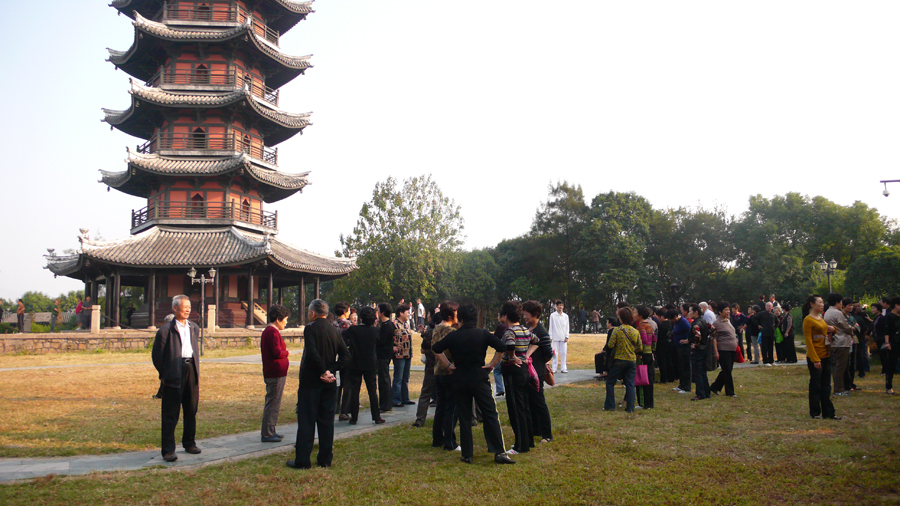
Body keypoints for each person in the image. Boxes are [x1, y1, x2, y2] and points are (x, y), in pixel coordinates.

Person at [431, 303, 515, 464]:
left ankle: (467, 454)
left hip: (459, 378)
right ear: (475, 319)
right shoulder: (482, 333)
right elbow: (502, 346)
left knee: (464, 417)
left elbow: (436, 348)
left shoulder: (454, 335)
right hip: (479, 377)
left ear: (460, 319)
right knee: (490, 414)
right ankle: (499, 452)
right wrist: (491, 364)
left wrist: (449, 366)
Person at [287, 299, 350, 470]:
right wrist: (331, 370)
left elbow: (312, 353)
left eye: (309, 312)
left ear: (313, 313)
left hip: (311, 381)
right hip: (330, 382)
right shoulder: (334, 330)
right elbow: (345, 356)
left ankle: (303, 460)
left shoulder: (310, 328)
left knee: (307, 421)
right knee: (326, 422)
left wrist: (323, 371)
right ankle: (325, 458)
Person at [151, 295, 201, 462]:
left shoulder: (194, 327)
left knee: (191, 409)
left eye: (189, 306)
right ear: (174, 309)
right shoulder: (166, 330)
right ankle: (168, 450)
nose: (187, 309)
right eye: (184, 306)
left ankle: (189, 443)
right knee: (170, 413)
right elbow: (157, 356)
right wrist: (166, 373)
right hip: (173, 372)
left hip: (191, 370)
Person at [498, 301, 539, 455]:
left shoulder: (510, 331)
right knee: (525, 406)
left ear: (506, 315)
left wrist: (512, 356)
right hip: (524, 371)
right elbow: (537, 341)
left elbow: (509, 345)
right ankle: (529, 440)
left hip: (513, 371)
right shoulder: (525, 330)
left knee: (516, 409)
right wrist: (526, 355)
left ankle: (520, 446)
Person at [342, 307, 385, 425]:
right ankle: (376, 416)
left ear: (360, 318)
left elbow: (343, 338)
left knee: (355, 391)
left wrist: (350, 346)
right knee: (372, 391)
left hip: (355, 362)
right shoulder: (375, 331)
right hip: (370, 363)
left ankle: (354, 417)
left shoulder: (353, 330)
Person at [803, 295, 839, 420]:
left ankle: (828, 412)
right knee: (816, 385)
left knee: (826, 385)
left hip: (826, 355)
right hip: (816, 356)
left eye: (822, 302)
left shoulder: (820, 318)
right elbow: (808, 341)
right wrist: (815, 359)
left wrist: (833, 329)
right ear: (812, 304)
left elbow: (826, 331)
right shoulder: (808, 319)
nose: (822, 304)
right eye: (820, 302)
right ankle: (815, 412)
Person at [431, 301, 460, 450]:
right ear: (450, 315)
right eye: (457, 312)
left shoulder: (436, 329)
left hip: (437, 372)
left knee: (440, 407)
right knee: (451, 408)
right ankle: (450, 442)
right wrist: (450, 365)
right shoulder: (451, 332)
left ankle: (437, 439)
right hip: (450, 372)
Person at [523, 300, 553, 443]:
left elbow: (548, 352)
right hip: (528, 371)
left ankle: (547, 434)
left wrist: (540, 363)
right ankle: (536, 429)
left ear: (535, 315)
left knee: (539, 402)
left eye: (526, 314)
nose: (524, 317)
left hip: (537, 372)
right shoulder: (528, 330)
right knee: (531, 402)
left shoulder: (541, 332)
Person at [260, 304, 291, 442]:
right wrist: (287, 353)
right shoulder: (272, 332)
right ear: (278, 319)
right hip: (274, 373)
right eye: (285, 319)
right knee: (272, 403)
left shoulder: (271, 332)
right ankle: (267, 433)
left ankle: (271, 430)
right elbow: (277, 352)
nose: (286, 322)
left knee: (275, 403)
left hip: (276, 372)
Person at [604, 307, 641, 412]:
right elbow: (639, 347)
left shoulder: (617, 330)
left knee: (610, 382)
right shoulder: (635, 331)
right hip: (631, 360)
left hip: (619, 359)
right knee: (630, 384)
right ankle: (630, 407)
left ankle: (610, 405)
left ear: (620, 318)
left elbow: (610, 345)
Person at [824, 294, 853, 397]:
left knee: (836, 366)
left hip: (833, 342)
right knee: (841, 367)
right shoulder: (837, 313)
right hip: (841, 342)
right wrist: (852, 330)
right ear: (837, 303)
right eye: (841, 303)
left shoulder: (827, 312)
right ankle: (839, 389)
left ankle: (838, 388)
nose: (841, 305)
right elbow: (845, 326)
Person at [413, 310, 437, 428]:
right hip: (446, 369)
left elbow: (422, 350)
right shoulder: (450, 332)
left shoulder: (429, 334)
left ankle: (420, 419)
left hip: (430, 368)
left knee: (425, 394)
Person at [709, 301, 738, 397]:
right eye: (726, 310)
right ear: (720, 312)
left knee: (727, 370)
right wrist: (716, 352)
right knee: (727, 371)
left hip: (732, 349)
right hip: (723, 349)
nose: (728, 312)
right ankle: (730, 392)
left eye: (729, 310)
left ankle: (714, 387)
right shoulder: (716, 323)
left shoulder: (728, 320)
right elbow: (714, 338)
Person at [332, 302, 353, 421]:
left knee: (337, 383)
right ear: (345, 311)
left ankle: (335, 407)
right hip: (347, 356)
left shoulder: (333, 324)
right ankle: (344, 411)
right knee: (347, 384)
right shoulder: (349, 324)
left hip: (334, 355)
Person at [391, 304, 414, 407]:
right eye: (407, 312)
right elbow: (388, 338)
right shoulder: (394, 324)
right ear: (401, 313)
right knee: (398, 378)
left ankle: (405, 398)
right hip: (399, 355)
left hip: (407, 354)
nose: (408, 314)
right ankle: (396, 400)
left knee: (406, 378)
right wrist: (393, 347)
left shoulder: (406, 324)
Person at [634, 305, 656, 409]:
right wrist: (652, 351)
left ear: (640, 315)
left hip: (643, 356)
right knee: (649, 379)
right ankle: (649, 403)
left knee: (642, 379)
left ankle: (643, 403)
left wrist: (639, 352)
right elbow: (654, 340)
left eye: (635, 312)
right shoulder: (649, 325)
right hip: (649, 354)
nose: (633, 315)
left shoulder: (641, 327)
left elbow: (642, 341)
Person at [688, 304, 711, 401]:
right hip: (705, 348)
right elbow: (713, 329)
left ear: (695, 312)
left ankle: (700, 393)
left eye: (690, 311)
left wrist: (696, 344)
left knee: (697, 372)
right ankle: (706, 391)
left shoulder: (696, 323)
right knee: (703, 372)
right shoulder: (704, 321)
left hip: (698, 350)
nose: (689, 313)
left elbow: (697, 335)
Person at [375, 303, 395, 414]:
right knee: (384, 379)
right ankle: (385, 403)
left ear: (382, 313)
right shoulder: (387, 324)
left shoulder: (386, 326)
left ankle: (385, 404)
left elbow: (381, 341)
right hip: (385, 355)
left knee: (384, 380)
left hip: (383, 355)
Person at [878, 298, 900, 395]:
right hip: (893, 342)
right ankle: (888, 386)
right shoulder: (890, 316)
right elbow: (886, 331)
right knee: (891, 364)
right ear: (896, 305)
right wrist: (887, 343)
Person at [668, 309, 692, 394]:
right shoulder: (677, 322)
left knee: (686, 367)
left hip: (684, 348)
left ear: (675, 317)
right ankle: (681, 385)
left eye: (671, 319)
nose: (671, 321)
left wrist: (688, 340)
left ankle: (687, 387)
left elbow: (691, 331)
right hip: (678, 347)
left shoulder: (684, 322)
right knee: (681, 366)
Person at [654, 307, 675, 384]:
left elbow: (659, 336)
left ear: (662, 316)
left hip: (661, 345)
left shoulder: (662, 325)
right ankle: (671, 377)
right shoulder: (670, 323)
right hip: (669, 344)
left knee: (662, 362)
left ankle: (663, 378)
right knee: (669, 361)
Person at [549, 300, 569, 373]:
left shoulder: (565, 316)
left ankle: (564, 368)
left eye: (562, 305)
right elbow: (550, 326)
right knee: (555, 353)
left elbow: (567, 327)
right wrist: (550, 336)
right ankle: (554, 368)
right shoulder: (552, 315)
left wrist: (567, 336)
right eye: (559, 305)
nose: (561, 307)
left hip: (563, 337)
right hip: (555, 337)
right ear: (556, 306)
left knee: (563, 353)